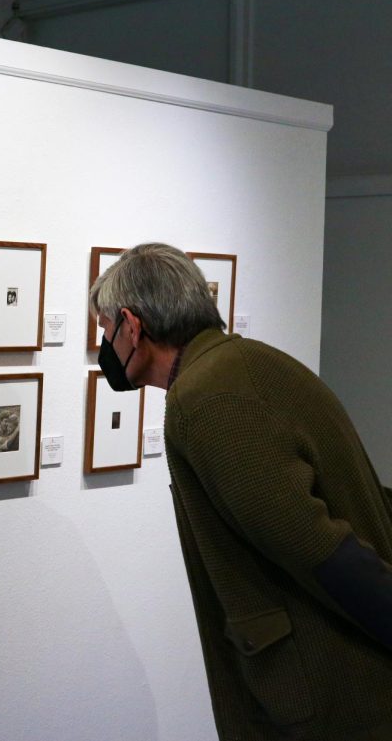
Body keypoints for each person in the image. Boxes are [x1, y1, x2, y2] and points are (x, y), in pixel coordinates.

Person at [90, 242, 392, 740]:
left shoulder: (206, 397)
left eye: (104, 329)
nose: (103, 344)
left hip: (329, 694)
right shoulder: (248, 363)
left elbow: (318, 548)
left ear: (132, 324)